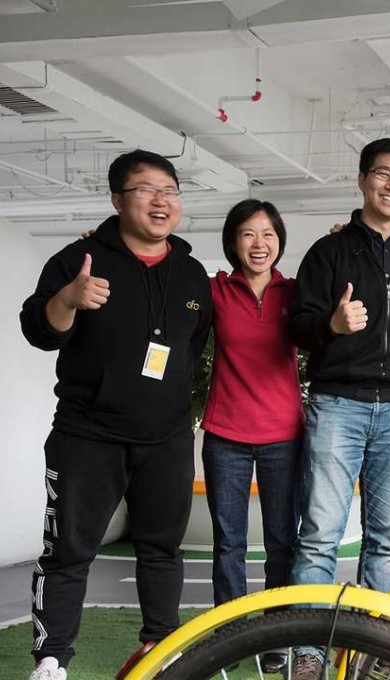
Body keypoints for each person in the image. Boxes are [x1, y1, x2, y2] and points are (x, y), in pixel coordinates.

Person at [19, 150, 212, 680]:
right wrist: (69, 298)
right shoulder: (77, 261)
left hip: (167, 436)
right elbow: (38, 329)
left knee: (162, 551)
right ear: (117, 200)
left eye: (170, 191)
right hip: (87, 435)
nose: (161, 201)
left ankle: (160, 649)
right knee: (67, 552)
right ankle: (52, 659)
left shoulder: (193, 274)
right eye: (146, 190)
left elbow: (192, 349)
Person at [287, 138, 390, 680]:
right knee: (319, 533)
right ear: (362, 180)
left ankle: (378, 650)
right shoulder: (328, 253)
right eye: (383, 174)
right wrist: (330, 327)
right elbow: (297, 326)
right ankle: (310, 651)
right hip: (338, 405)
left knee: (386, 539)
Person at [199, 199, 302, 675]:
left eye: (267, 234)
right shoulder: (215, 291)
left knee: (283, 542)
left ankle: (277, 633)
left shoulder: (297, 293)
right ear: (233, 241)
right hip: (225, 434)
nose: (259, 244)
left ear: (279, 240)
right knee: (229, 543)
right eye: (247, 234)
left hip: (284, 435)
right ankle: (229, 632)